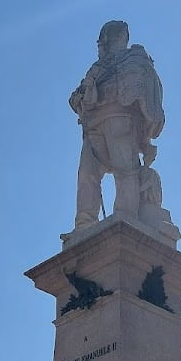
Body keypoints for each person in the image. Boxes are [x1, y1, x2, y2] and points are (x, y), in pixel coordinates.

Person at [68, 21, 166, 231]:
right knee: (87, 175)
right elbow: (74, 98)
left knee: (125, 171)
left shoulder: (135, 60)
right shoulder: (96, 69)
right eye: (101, 41)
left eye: (105, 39)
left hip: (119, 118)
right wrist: (83, 97)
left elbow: (148, 94)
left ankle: (126, 219)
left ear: (121, 37)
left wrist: (146, 131)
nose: (102, 44)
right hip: (93, 125)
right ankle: (84, 224)